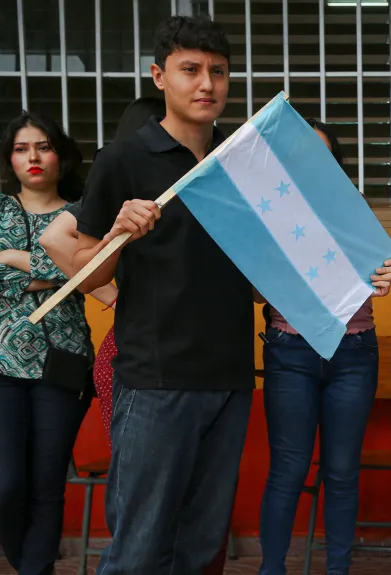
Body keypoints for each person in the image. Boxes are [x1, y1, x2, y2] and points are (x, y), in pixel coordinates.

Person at [71, 15, 255, 573]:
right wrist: (116, 235)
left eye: (218, 72)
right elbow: (87, 274)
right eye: (190, 70)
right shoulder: (123, 158)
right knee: (141, 549)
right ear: (159, 76)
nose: (207, 84)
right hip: (154, 379)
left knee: (202, 550)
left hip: (231, 377)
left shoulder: (241, 160)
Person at [258, 118, 391, 575]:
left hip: (353, 352)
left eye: (322, 155)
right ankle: (272, 568)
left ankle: (338, 568)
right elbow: (258, 292)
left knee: (341, 472)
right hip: (290, 350)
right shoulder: (270, 213)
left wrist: (385, 276)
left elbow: (378, 276)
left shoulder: (352, 209)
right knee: (288, 470)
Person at [39, 95, 165, 446]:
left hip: (136, 342)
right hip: (135, 346)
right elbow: (53, 238)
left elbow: (53, 238)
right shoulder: (127, 188)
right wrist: (109, 293)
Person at [0, 110, 92, 574]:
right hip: (2, 366)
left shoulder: (83, 212)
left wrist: (11, 257)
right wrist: (61, 271)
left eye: (43, 146)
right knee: (7, 484)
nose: (33, 156)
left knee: (46, 483)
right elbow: (72, 272)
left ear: (61, 154)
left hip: (65, 361)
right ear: (9, 158)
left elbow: (92, 272)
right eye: (21, 148)